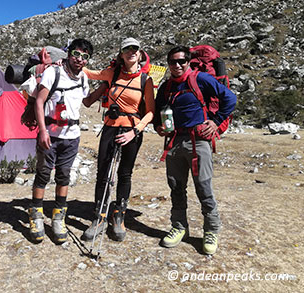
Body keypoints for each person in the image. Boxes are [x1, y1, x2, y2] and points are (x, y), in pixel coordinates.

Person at [153, 45, 237, 255]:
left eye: (182, 61)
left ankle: (211, 230)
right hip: (173, 141)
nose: (177, 65)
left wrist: (216, 121)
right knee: (176, 186)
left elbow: (230, 98)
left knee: (203, 187)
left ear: (189, 62)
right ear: (168, 64)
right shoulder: (166, 87)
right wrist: (158, 127)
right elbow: (157, 112)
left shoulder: (201, 79)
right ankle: (179, 226)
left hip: (198, 140)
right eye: (173, 62)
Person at [81, 37, 155, 242]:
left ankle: (119, 215)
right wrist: (66, 62)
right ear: (121, 54)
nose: (131, 51)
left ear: (140, 54)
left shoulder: (145, 80)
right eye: (127, 49)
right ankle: (99, 216)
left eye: (135, 49)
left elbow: (150, 112)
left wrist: (135, 131)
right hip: (110, 128)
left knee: (125, 174)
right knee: (103, 172)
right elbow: (88, 72)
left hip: (132, 131)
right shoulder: (112, 73)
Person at [28, 38, 92, 244]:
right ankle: (36, 216)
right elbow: (39, 101)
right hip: (51, 135)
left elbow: (87, 101)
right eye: (76, 54)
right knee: (43, 173)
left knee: (64, 176)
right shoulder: (53, 73)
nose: (79, 59)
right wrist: (43, 131)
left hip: (72, 136)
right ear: (69, 53)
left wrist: (107, 86)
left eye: (85, 56)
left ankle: (58, 218)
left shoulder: (83, 78)